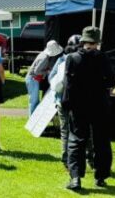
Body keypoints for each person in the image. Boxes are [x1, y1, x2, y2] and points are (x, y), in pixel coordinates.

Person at [63, 26, 115, 191]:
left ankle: (75, 178)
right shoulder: (103, 58)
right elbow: (112, 81)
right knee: (101, 141)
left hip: (79, 106)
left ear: (83, 41)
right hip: (99, 105)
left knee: (76, 141)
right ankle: (100, 177)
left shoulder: (72, 58)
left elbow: (68, 85)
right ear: (97, 42)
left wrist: (67, 104)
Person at [48, 35, 94, 170]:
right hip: (82, 101)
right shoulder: (85, 59)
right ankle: (90, 158)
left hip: (62, 100)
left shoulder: (62, 59)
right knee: (86, 130)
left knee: (65, 131)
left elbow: (51, 78)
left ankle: (66, 159)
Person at [25, 40, 63, 116]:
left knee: (35, 100)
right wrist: (47, 71)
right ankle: (32, 120)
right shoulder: (45, 57)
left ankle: (34, 119)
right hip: (33, 79)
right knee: (34, 101)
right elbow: (36, 71)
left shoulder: (43, 55)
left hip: (33, 79)